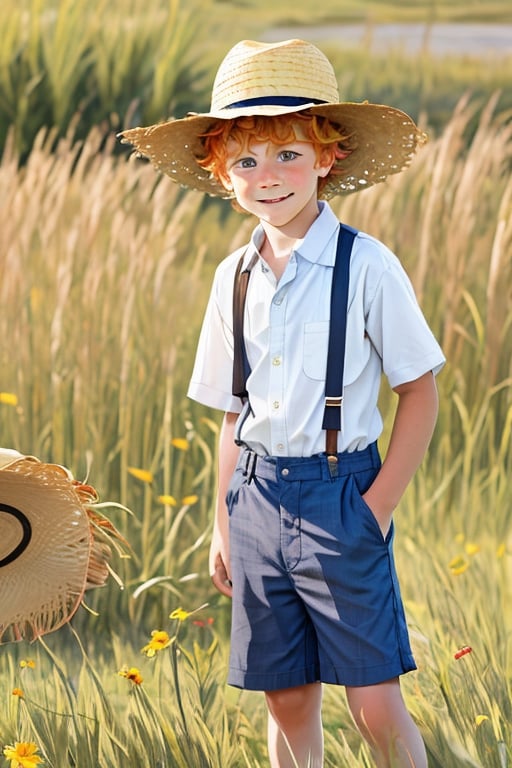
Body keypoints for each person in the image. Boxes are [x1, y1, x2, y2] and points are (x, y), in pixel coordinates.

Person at [120, 38, 445, 768]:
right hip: (256, 502)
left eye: (288, 154)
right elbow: (236, 412)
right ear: (221, 173)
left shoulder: (367, 266)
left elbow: (419, 390)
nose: (268, 177)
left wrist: (378, 507)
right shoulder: (231, 276)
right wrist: (223, 522)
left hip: (343, 498)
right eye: (246, 161)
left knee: (373, 703)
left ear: (327, 157)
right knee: (287, 698)